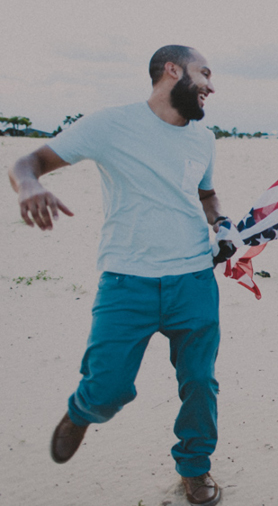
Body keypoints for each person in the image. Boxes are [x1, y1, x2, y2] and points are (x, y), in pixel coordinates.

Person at [9, 45, 226, 506]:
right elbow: (27, 163)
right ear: (172, 70)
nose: (211, 85)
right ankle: (80, 412)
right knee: (107, 388)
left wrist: (222, 224)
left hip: (193, 279)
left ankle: (195, 467)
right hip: (126, 282)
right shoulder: (110, 124)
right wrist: (30, 185)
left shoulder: (202, 139)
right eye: (204, 73)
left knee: (200, 383)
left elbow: (206, 195)